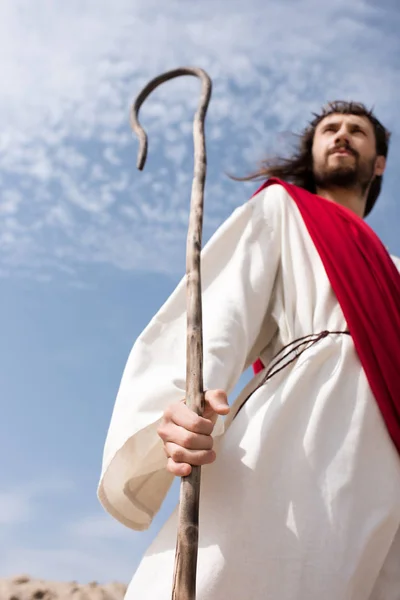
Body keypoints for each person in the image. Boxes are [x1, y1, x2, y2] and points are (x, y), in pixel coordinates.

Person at [98, 101, 400, 599]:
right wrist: (177, 407)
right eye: (330, 129)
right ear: (314, 149)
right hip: (300, 430)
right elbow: (220, 311)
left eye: (357, 130)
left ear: (380, 161)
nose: (343, 135)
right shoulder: (283, 209)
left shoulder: (393, 269)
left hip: (387, 462)